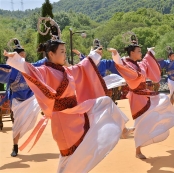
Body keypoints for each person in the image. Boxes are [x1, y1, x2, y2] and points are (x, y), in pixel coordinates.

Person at [4, 19, 129, 173]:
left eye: (65, 51)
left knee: (104, 102)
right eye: (62, 52)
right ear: (51, 54)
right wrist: (16, 60)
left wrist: (94, 55)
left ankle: (122, 128)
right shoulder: (45, 70)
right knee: (69, 155)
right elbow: (30, 70)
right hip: (63, 118)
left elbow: (82, 68)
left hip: (75, 112)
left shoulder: (65, 70)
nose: (64, 55)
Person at [107, 34, 174, 159]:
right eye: (138, 51)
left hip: (145, 93)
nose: (140, 53)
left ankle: (159, 127)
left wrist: (149, 52)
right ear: (131, 53)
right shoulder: (127, 63)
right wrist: (115, 54)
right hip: (137, 96)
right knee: (140, 122)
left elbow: (146, 62)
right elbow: (120, 65)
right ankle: (138, 151)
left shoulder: (138, 64)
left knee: (162, 100)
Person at [0, 38, 47, 157]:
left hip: (31, 98)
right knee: (16, 125)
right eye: (21, 56)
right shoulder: (9, 70)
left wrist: (47, 49)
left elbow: (44, 61)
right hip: (17, 100)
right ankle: (15, 146)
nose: (23, 58)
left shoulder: (28, 67)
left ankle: (46, 111)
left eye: (23, 56)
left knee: (43, 99)